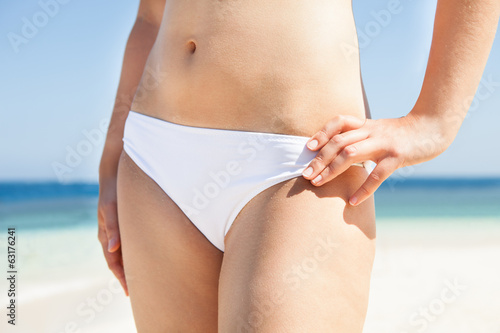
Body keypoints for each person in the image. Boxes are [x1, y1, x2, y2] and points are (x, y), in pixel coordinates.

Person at [97, 0, 500, 331]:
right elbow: (150, 17)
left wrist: (434, 121)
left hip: (303, 162)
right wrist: (112, 162)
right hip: (152, 161)